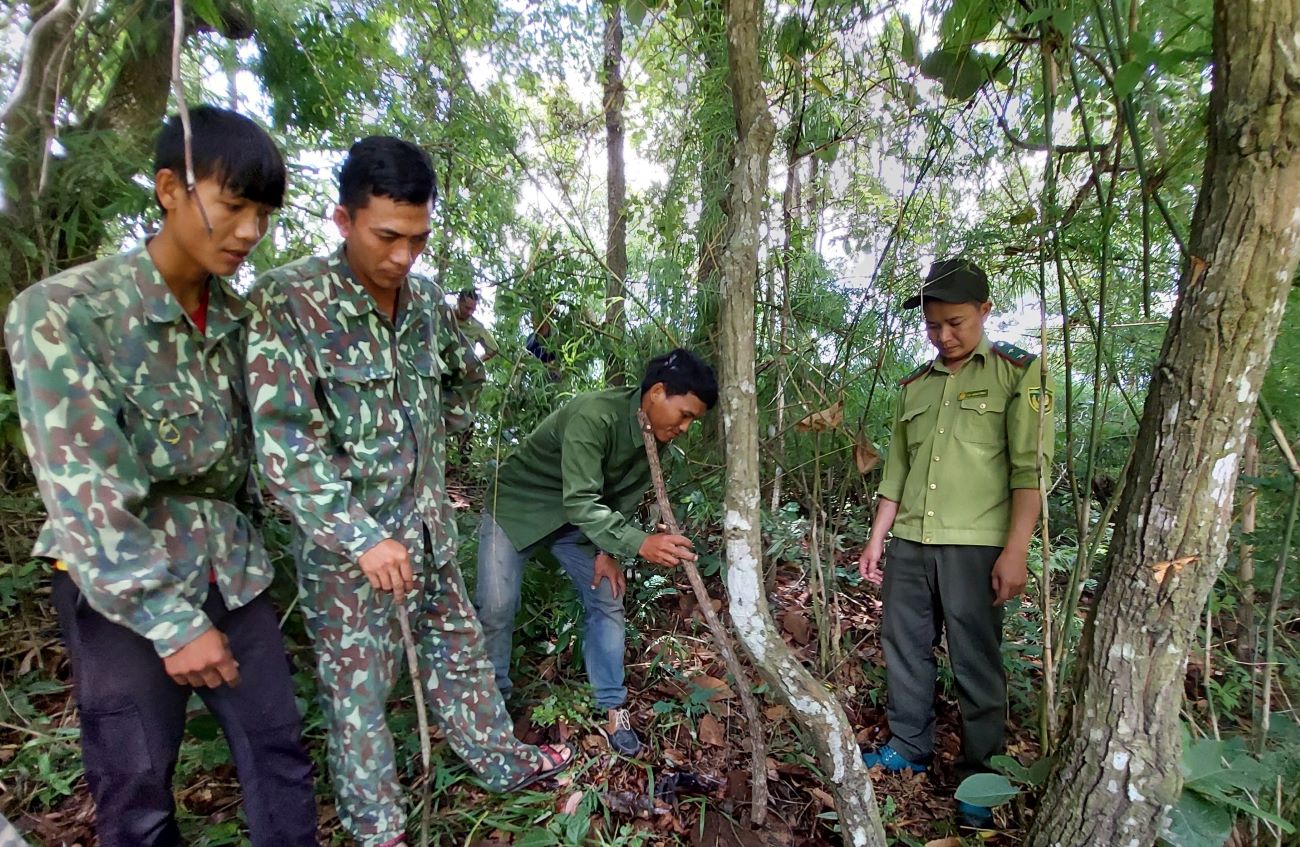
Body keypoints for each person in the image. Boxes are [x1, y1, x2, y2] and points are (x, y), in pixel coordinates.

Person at [245, 136, 572, 847]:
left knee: (460, 656)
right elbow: (284, 445)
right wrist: (362, 535)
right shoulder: (289, 299)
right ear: (343, 220)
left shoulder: (424, 301)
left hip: (427, 532)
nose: (402, 257)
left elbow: (463, 373)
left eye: (418, 239)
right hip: (347, 557)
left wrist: (442, 441)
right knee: (358, 699)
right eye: (387, 236)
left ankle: (500, 759)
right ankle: (380, 827)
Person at [5, 106, 318, 847]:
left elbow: (270, 452)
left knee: (279, 753)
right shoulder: (64, 311)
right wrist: (172, 621)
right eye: (233, 206)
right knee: (137, 786)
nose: (248, 232)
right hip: (116, 583)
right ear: (171, 189)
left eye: (263, 215)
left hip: (231, 568)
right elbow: (83, 485)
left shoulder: (242, 322)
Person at [856, 258, 1055, 830]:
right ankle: (909, 748)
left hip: (977, 547)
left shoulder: (1020, 374)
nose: (944, 335)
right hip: (912, 543)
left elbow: (1029, 472)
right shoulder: (915, 387)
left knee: (976, 661)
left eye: (957, 323)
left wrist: (1015, 551)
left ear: (985, 312)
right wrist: (877, 540)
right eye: (934, 325)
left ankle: (980, 775)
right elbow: (895, 472)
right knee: (905, 646)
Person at [475, 349, 716, 755]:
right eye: (686, 414)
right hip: (517, 509)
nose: (686, 427)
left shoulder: (657, 446)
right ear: (657, 392)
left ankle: (612, 707)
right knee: (497, 606)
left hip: (577, 525)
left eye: (694, 419)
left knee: (608, 595)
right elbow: (583, 501)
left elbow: (618, 500)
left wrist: (609, 550)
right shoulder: (595, 415)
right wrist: (638, 542)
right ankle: (491, 709)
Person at [454, 288, 499, 362]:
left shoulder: (477, 327)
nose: (470, 313)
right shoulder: (444, 314)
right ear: (459, 302)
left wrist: (475, 363)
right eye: (467, 308)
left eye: (473, 310)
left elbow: (493, 350)